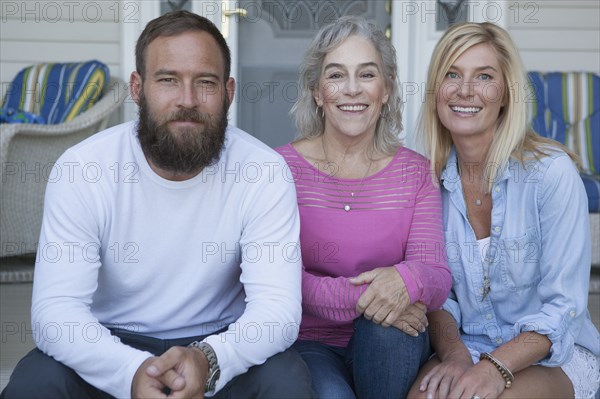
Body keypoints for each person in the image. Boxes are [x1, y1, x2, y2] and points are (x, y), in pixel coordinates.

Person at [1, 10, 315, 399]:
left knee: (285, 382)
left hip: (220, 343)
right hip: (108, 342)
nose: (187, 101)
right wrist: (131, 371)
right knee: (35, 385)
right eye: (168, 80)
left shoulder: (264, 172)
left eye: (205, 83)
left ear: (229, 92)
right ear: (138, 88)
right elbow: (57, 315)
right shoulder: (83, 168)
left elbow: (277, 313)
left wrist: (209, 359)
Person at [408, 22, 600, 399]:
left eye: (483, 76)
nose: (465, 90)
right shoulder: (427, 181)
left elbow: (564, 307)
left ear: (506, 94)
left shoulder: (551, 173)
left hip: (554, 353)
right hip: (468, 346)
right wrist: (455, 355)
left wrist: (496, 367)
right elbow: (438, 296)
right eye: (452, 74)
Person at [276, 16, 452, 399]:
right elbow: (279, 278)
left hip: (391, 338)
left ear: (386, 89)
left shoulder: (415, 173)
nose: (352, 90)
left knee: (385, 331)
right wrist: (369, 296)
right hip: (311, 339)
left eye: (367, 75)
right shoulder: (280, 171)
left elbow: (436, 275)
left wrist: (407, 281)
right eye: (336, 75)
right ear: (317, 92)